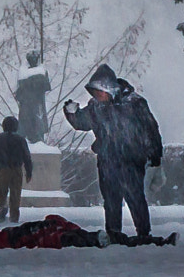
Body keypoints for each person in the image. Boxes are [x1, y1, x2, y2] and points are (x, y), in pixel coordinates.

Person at [62, 62, 164, 242]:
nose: (96, 95)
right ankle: (113, 233)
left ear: (109, 88)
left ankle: (144, 233)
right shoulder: (96, 107)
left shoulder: (135, 103)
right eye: (94, 92)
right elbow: (82, 123)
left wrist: (155, 154)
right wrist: (72, 113)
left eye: (99, 91)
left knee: (135, 197)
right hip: (107, 160)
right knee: (110, 199)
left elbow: (151, 129)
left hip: (131, 160)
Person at [0, 115, 33, 222]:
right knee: (15, 194)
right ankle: (14, 216)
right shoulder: (20, 140)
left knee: (1, 192)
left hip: (2, 169)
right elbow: (27, 157)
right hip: (16, 169)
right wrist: (29, 172)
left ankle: (3, 206)